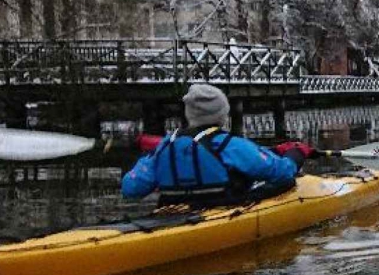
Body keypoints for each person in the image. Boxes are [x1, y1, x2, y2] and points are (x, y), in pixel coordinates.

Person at [122, 83, 312, 204]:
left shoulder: (165, 146)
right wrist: (295, 155)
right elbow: (282, 171)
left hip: (172, 211)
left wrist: (149, 158)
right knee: (287, 182)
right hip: (223, 208)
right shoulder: (231, 145)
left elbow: (130, 188)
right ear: (222, 115)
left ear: (189, 113)